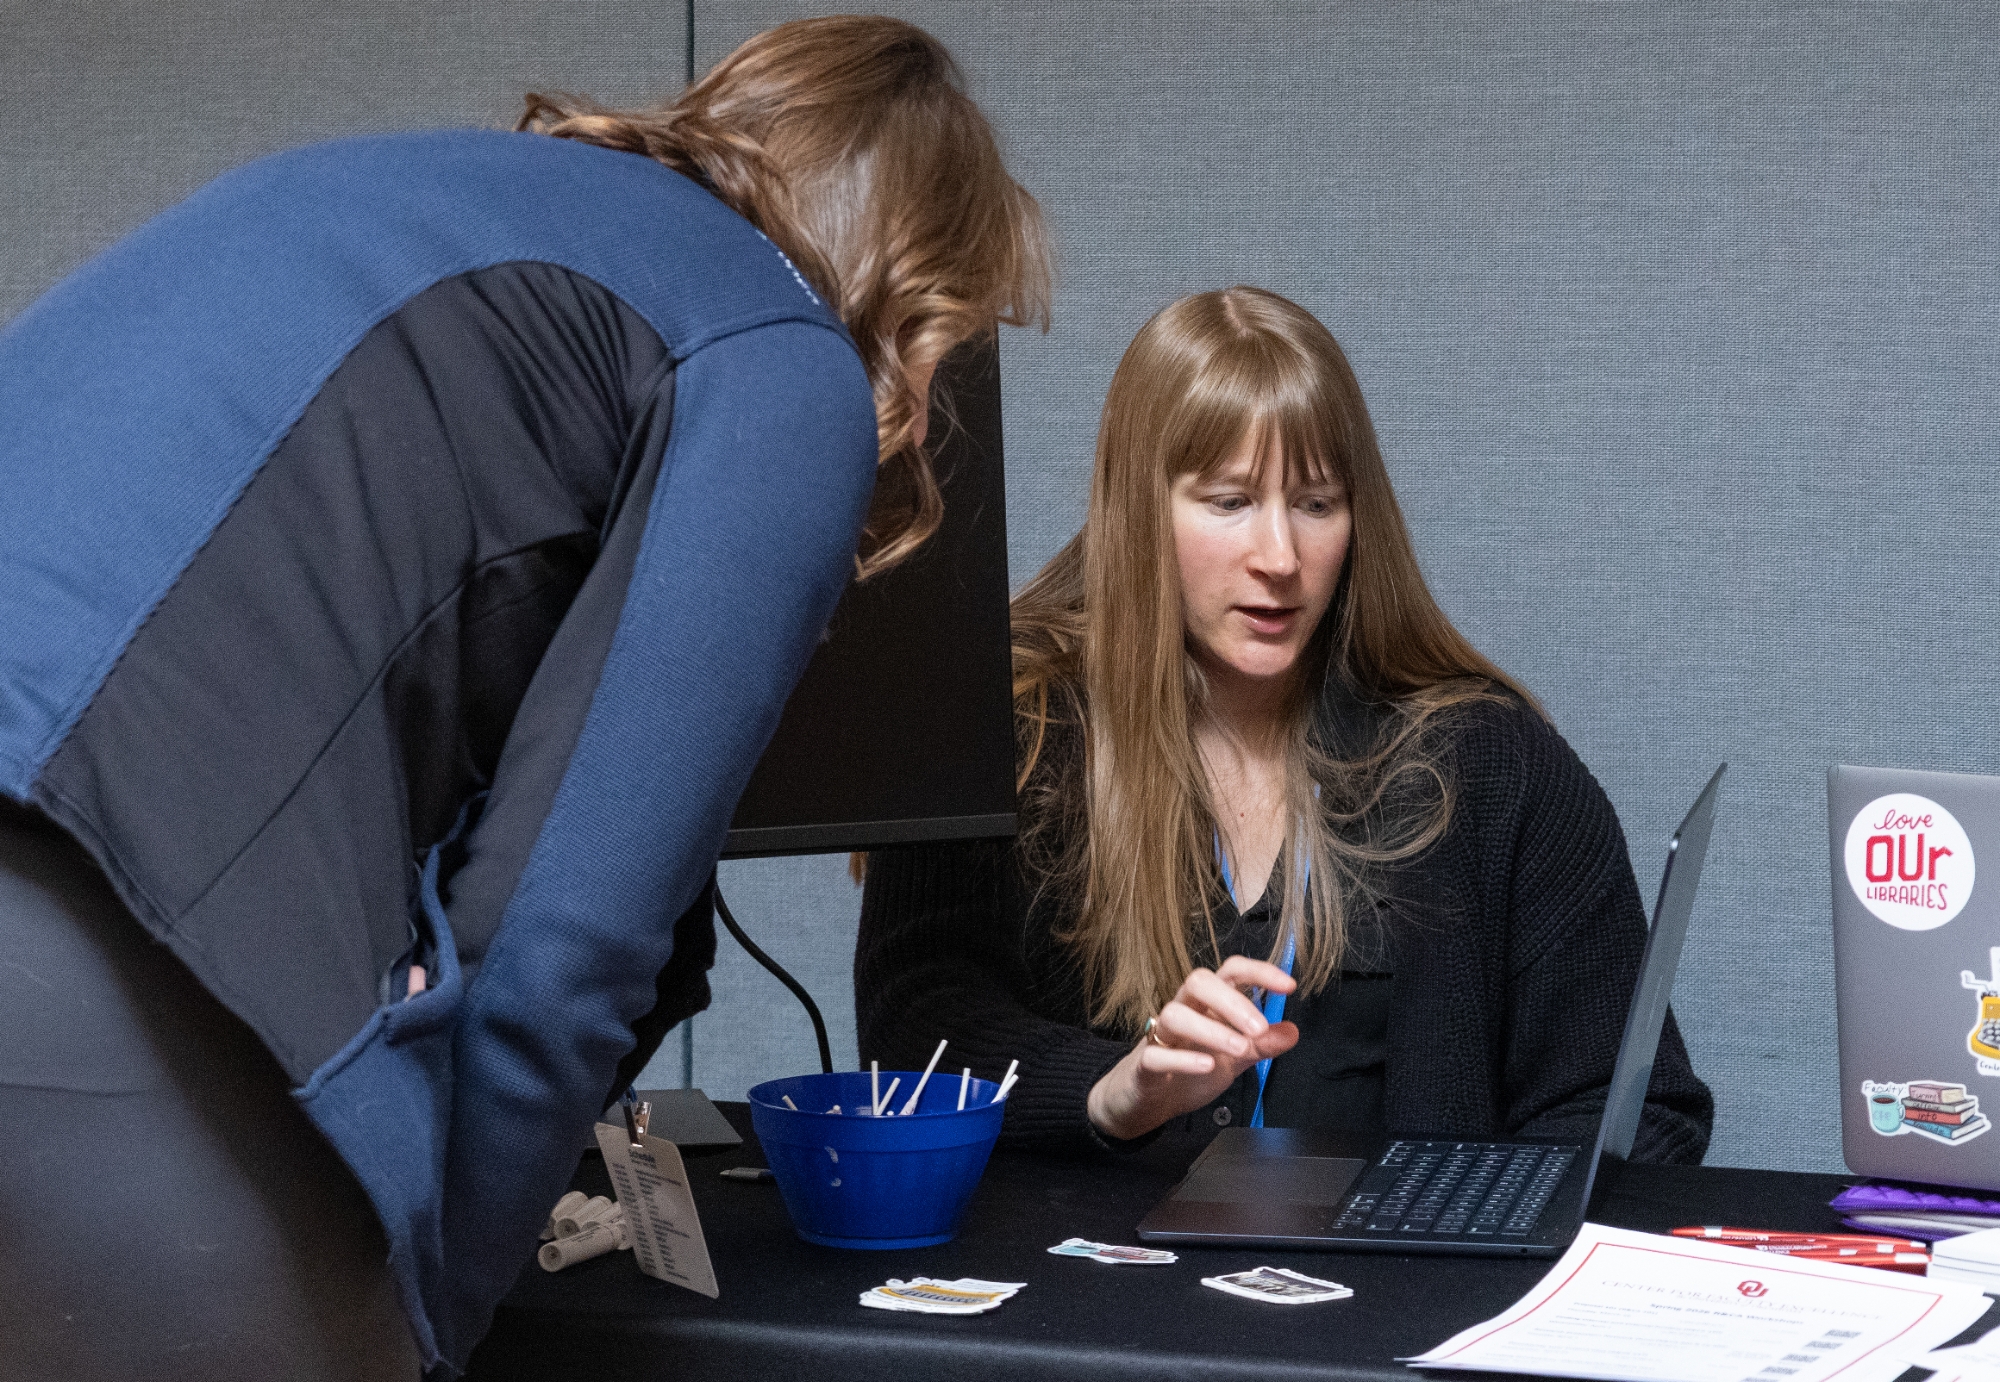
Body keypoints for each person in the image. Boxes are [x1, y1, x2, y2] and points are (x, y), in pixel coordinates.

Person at [0, 17, 1047, 1379]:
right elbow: (559, 951)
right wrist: (431, 1315)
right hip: (83, 919)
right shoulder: (775, 344)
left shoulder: (398, 191)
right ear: (918, 308)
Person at [855, 287, 1712, 1161]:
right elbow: (913, 1040)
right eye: (1229, 502)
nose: (1280, 558)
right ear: (1137, 511)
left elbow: (1638, 1110)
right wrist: (1114, 1093)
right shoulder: (1006, 727)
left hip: (1405, 1258)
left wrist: (1469, 1220)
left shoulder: (1489, 761)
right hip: (1088, 1253)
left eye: (1316, 503)